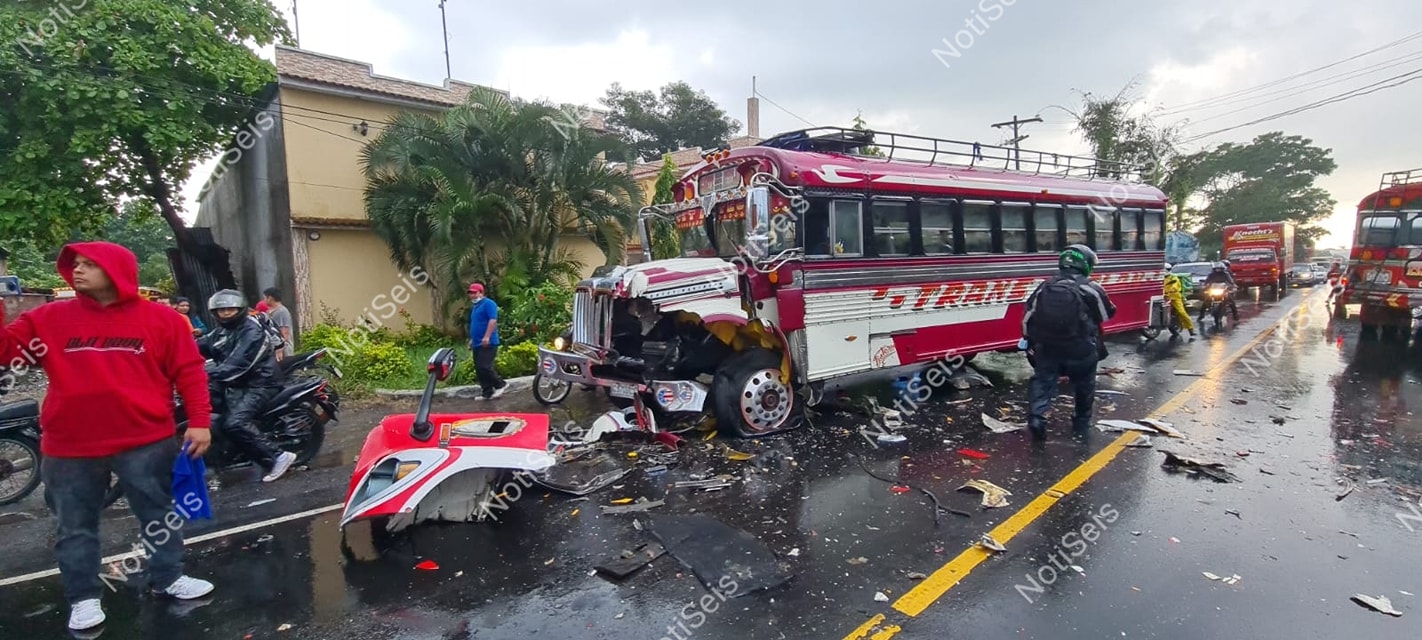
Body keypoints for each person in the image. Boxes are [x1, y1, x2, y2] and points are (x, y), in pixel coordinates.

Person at [0, 241, 216, 632]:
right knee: (75, 525)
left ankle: (168, 577)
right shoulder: (49, 318)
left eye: (88, 265)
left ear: (116, 270)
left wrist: (199, 420)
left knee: (159, 513)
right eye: (75, 265)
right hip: (70, 446)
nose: (77, 271)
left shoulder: (161, 320)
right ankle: (83, 598)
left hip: (146, 439)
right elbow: (5, 352)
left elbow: (189, 370)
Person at [198, 290, 297, 483]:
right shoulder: (221, 332)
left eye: (230, 309)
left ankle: (278, 456)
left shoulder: (251, 331)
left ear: (240, 309)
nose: (226, 313)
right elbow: (198, 345)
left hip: (261, 383)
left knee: (235, 422)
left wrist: (201, 374)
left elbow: (237, 363)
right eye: (221, 310)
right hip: (238, 382)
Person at [1020, 244, 1117, 440]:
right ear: (1086, 264)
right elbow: (1107, 314)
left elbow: (1027, 317)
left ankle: (1037, 418)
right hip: (1080, 348)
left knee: (1043, 382)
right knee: (1084, 384)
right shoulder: (1090, 287)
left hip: (1047, 348)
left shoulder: (1045, 286)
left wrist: (1029, 342)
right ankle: (1081, 423)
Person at [467, 283, 508, 400]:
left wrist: (487, 336)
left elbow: (492, 320)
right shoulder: (476, 307)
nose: (472, 296)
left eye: (474, 293)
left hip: (488, 342)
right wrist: (472, 340)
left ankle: (501, 384)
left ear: (481, 292)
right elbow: (476, 324)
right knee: (479, 369)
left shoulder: (489, 304)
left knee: (485, 367)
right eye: (471, 293)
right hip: (477, 342)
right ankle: (487, 392)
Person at [262, 287, 294, 361]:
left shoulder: (281, 312)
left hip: (282, 351)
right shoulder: (269, 312)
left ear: (270, 298)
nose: (263, 300)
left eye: (264, 298)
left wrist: (279, 348)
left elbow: (284, 333)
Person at [1163, 272, 1198, 339]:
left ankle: (1190, 329)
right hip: (1164, 297)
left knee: (1181, 312)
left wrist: (1168, 290)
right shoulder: (1160, 278)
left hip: (1175, 297)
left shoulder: (1173, 278)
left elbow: (1174, 286)